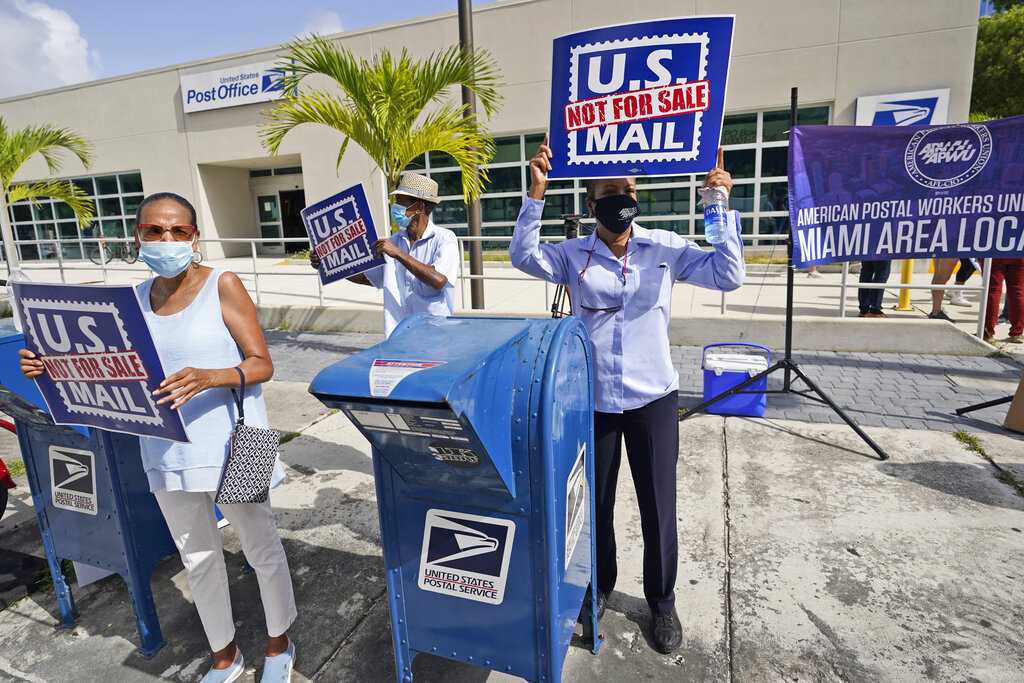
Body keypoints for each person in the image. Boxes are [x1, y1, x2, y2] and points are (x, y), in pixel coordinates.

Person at [21, 193, 297, 683]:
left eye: (177, 231)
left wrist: (212, 376)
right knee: (198, 556)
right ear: (137, 237)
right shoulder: (131, 301)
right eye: (153, 231)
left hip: (239, 444)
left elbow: (262, 363)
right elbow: (105, 369)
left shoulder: (223, 285)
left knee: (260, 546)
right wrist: (47, 368)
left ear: (194, 237)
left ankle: (279, 641)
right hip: (166, 449)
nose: (165, 240)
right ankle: (224, 655)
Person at [509, 139, 744, 654]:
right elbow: (521, 255)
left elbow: (729, 275)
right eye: (610, 192)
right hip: (591, 402)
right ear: (591, 204)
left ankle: (662, 601)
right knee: (596, 502)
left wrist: (718, 206)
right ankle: (600, 585)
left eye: (630, 190)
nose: (623, 199)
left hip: (653, 398)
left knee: (659, 504)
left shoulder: (664, 247)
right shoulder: (573, 255)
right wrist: (537, 194)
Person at [311, 172, 459, 336]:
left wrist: (398, 254)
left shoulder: (444, 238)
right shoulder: (393, 242)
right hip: (399, 334)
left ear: (419, 207)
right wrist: (329, 264)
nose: (395, 208)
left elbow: (439, 280)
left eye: (400, 204)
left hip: (435, 333)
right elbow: (366, 277)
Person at [984, 257, 1023, 344]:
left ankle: (987, 333)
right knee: (1017, 291)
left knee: (993, 290)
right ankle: (1017, 333)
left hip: (995, 252)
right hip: (1018, 251)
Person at [928, 257, 958, 321]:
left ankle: (936, 309)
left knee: (938, 275)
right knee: (942, 277)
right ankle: (936, 311)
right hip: (951, 248)